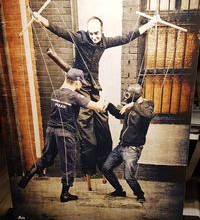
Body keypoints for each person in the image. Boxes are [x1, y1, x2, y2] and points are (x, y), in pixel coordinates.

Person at [32, 11, 159, 176]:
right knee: (86, 129)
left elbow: (128, 37)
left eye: (96, 33)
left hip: (94, 87)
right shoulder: (80, 38)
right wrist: (41, 19)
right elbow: (59, 31)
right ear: (87, 32)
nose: (94, 37)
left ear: (102, 30)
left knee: (103, 125)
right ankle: (89, 169)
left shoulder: (105, 42)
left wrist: (150, 24)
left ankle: (104, 165)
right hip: (80, 87)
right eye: (91, 33)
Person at [18, 68, 105, 202]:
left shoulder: (55, 93)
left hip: (51, 131)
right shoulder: (75, 97)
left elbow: (66, 85)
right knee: (68, 164)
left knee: (47, 158)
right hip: (65, 134)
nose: (81, 85)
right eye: (80, 82)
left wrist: (68, 77)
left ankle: (27, 176)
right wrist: (103, 102)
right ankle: (65, 194)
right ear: (76, 82)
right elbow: (97, 108)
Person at [102, 83, 154, 203]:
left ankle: (140, 194)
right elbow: (118, 113)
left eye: (129, 94)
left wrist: (132, 105)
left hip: (133, 149)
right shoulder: (130, 105)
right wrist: (109, 105)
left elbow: (149, 115)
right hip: (121, 145)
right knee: (106, 168)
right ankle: (119, 191)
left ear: (135, 95)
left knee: (129, 177)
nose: (126, 96)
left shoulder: (147, 105)